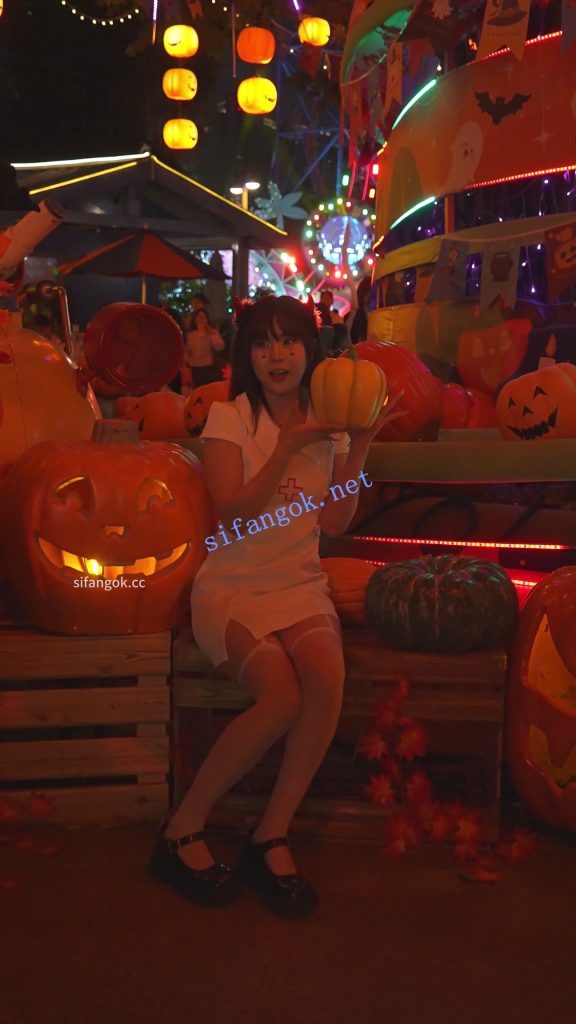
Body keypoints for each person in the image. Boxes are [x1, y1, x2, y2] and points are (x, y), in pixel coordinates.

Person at [149, 295, 404, 918]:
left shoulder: (331, 420)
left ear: (309, 350)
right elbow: (233, 513)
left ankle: (272, 833)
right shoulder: (228, 417)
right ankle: (182, 827)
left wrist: (360, 446)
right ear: (248, 355)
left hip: (298, 583)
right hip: (234, 586)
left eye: (289, 341)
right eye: (263, 343)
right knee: (282, 698)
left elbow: (336, 523)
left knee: (326, 678)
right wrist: (288, 446)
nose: (277, 355)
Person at [182, 308, 226, 392]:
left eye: (203, 317)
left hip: (208, 368)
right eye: (199, 317)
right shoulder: (190, 335)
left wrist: (212, 333)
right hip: (194, 369)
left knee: (208, 391)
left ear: (207, 319)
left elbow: (219, 346)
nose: (201, 320)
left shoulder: (211, 333)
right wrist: (187, 361)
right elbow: (186, 351)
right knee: (197, 392)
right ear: (195, 319)